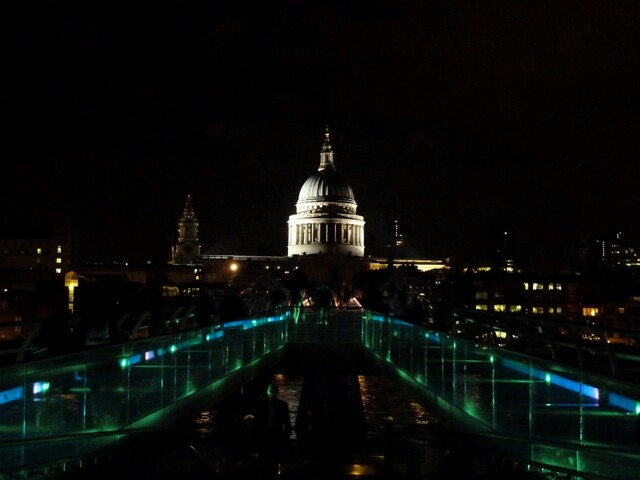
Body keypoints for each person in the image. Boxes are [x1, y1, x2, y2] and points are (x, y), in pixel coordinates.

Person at [254, 381, 292, 479]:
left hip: (274, 438)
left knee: (271, 462)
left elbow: (287, 425)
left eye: (272, 391)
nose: (271, 393)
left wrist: (285, 440)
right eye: (271, 391)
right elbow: (287, 425)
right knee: (266, 463)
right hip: (267, 438)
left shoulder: (264, 404)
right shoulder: (265, 405)